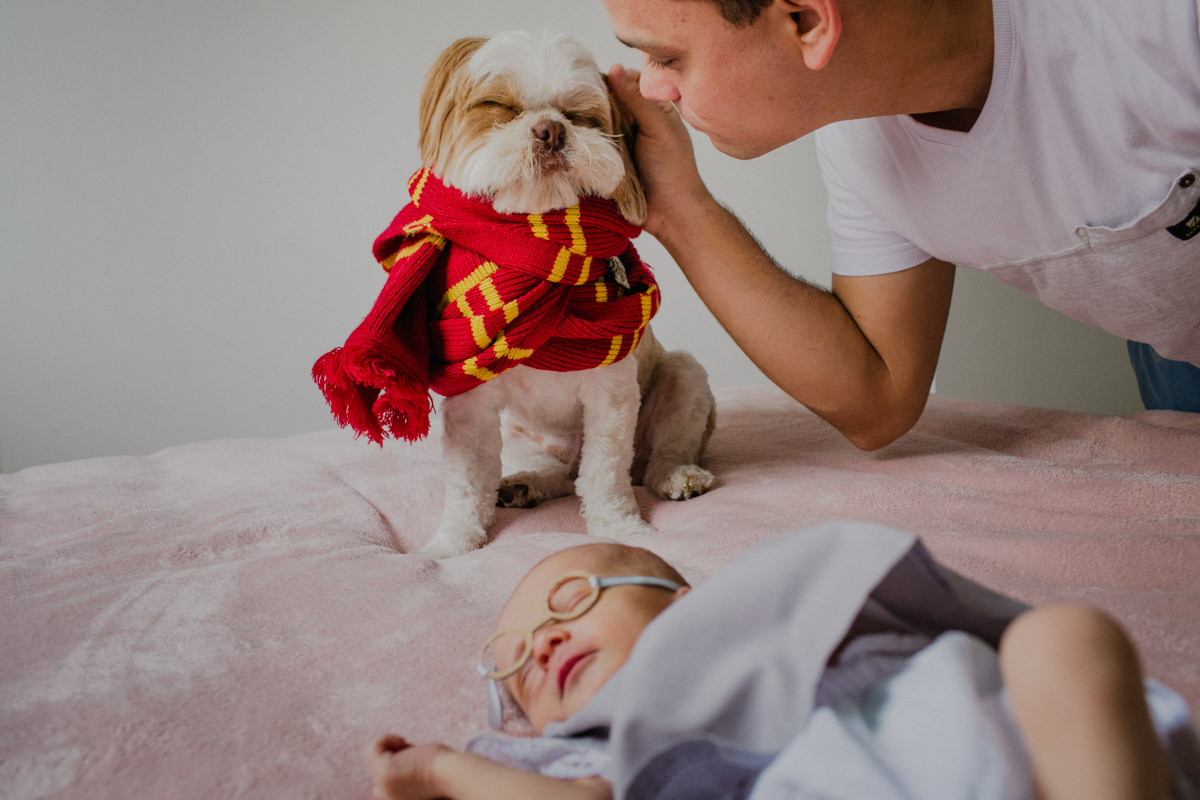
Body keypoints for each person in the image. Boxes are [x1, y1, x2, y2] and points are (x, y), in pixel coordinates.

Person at [590, 0, 1200, 450]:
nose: (650, 87)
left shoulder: (1157, 27)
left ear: (806, 20)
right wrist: (679, 209)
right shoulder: (860, 138)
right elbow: (877, 397)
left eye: (666, 56)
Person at [365, 538, 1182, 800]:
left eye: (573, 599)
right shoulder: (599, 753)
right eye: (516, 666)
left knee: (1064, 638)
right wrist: (444, 765)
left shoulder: (797, 623)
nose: (544, 643)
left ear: (686, 602)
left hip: (1040, 763)